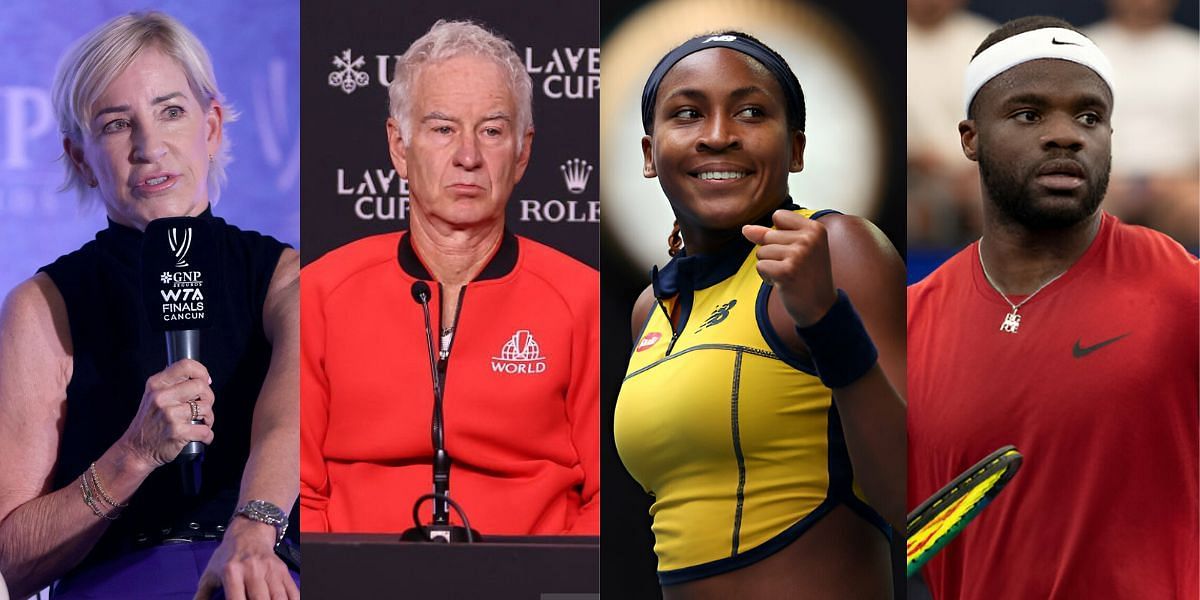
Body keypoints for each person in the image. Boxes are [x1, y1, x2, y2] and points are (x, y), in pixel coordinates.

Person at [0, 12, 299, 600]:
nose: (149, 147)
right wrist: (133, 455)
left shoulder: (285, 278)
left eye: (171, 111)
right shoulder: (43, 307)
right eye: (116, 125)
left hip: (259, 575)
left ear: (211, 127)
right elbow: (10, 561)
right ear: (81, 158)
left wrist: (253, 529)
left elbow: (288, 420)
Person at [907, 16, 1199, 599]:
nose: (1066, 135)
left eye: (1089, 117)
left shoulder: (1183, 293)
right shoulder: (908, 321)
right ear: (970, 138)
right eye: (1029, 114)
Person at [613, 31, 907, 598]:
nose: (719, 136)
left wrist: (825, 319)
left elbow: (911, 499)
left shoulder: (839, 247)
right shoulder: (651, 309)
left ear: (795, 149)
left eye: (750, 112)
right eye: (688, 114)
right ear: (650, 155)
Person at [299, 20, 599, 536]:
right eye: (443, 129)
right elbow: (299, 492)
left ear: (522, 150)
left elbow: (605, 499)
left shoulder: (581, 298)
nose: (468, 156)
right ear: (399, 147)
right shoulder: (320, 293)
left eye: (491, 131)